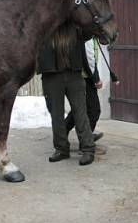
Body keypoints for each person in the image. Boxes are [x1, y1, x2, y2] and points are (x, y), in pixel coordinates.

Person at [37, 22, 95, 165]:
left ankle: (88, 149)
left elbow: (88, 32)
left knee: (80, 112)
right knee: (56, 114)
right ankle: (61, 149)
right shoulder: (44, 21)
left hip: (74, 73)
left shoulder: (75, 21)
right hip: (51, 74)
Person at [65, 37, 104, 143]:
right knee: (94, 110)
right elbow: (89, 58)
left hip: (79, 76)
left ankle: (62, 134)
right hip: (84, 77)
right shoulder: (87, 36)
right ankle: (86, 141)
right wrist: (96, 78)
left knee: (78, 109)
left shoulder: (89, 34)